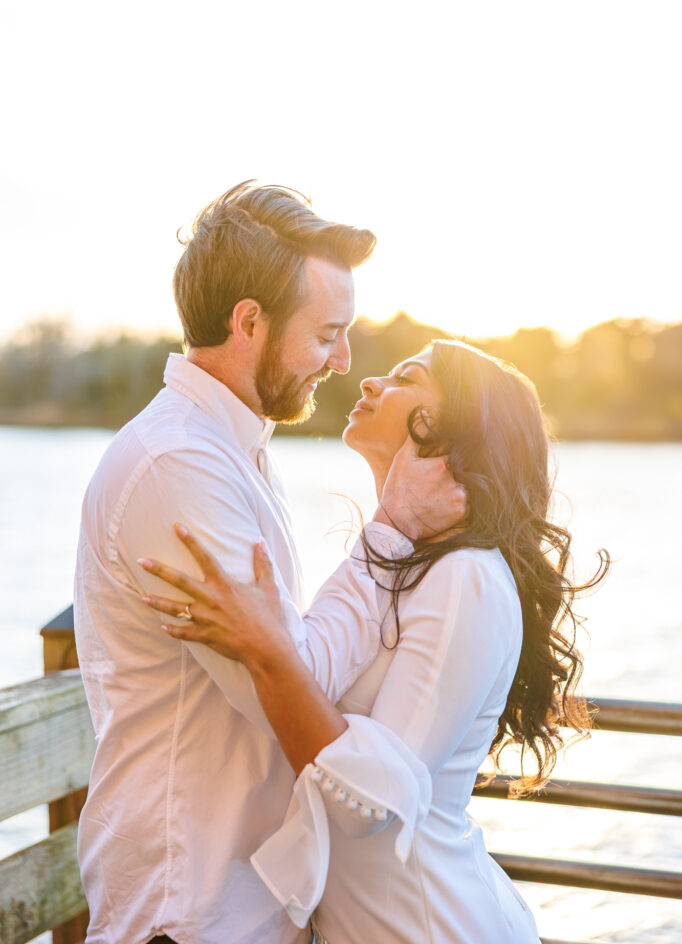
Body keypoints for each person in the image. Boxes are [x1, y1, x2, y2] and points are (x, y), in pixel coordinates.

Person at [74, 181, 465, 944]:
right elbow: (291, 683)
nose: (344, 360)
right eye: (326, 334)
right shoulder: (177, 467)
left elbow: (287, 655)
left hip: (237, 906)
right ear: (249, 321)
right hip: (189, 913)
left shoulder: (229, 448)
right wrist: (394, 524)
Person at [141, 339, 609, 944]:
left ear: (450, 429)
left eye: (403, 378)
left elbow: (367, 803)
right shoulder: (405, 561)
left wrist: (265, 651)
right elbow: (321, 675)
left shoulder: (466, 578)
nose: (368, 383)